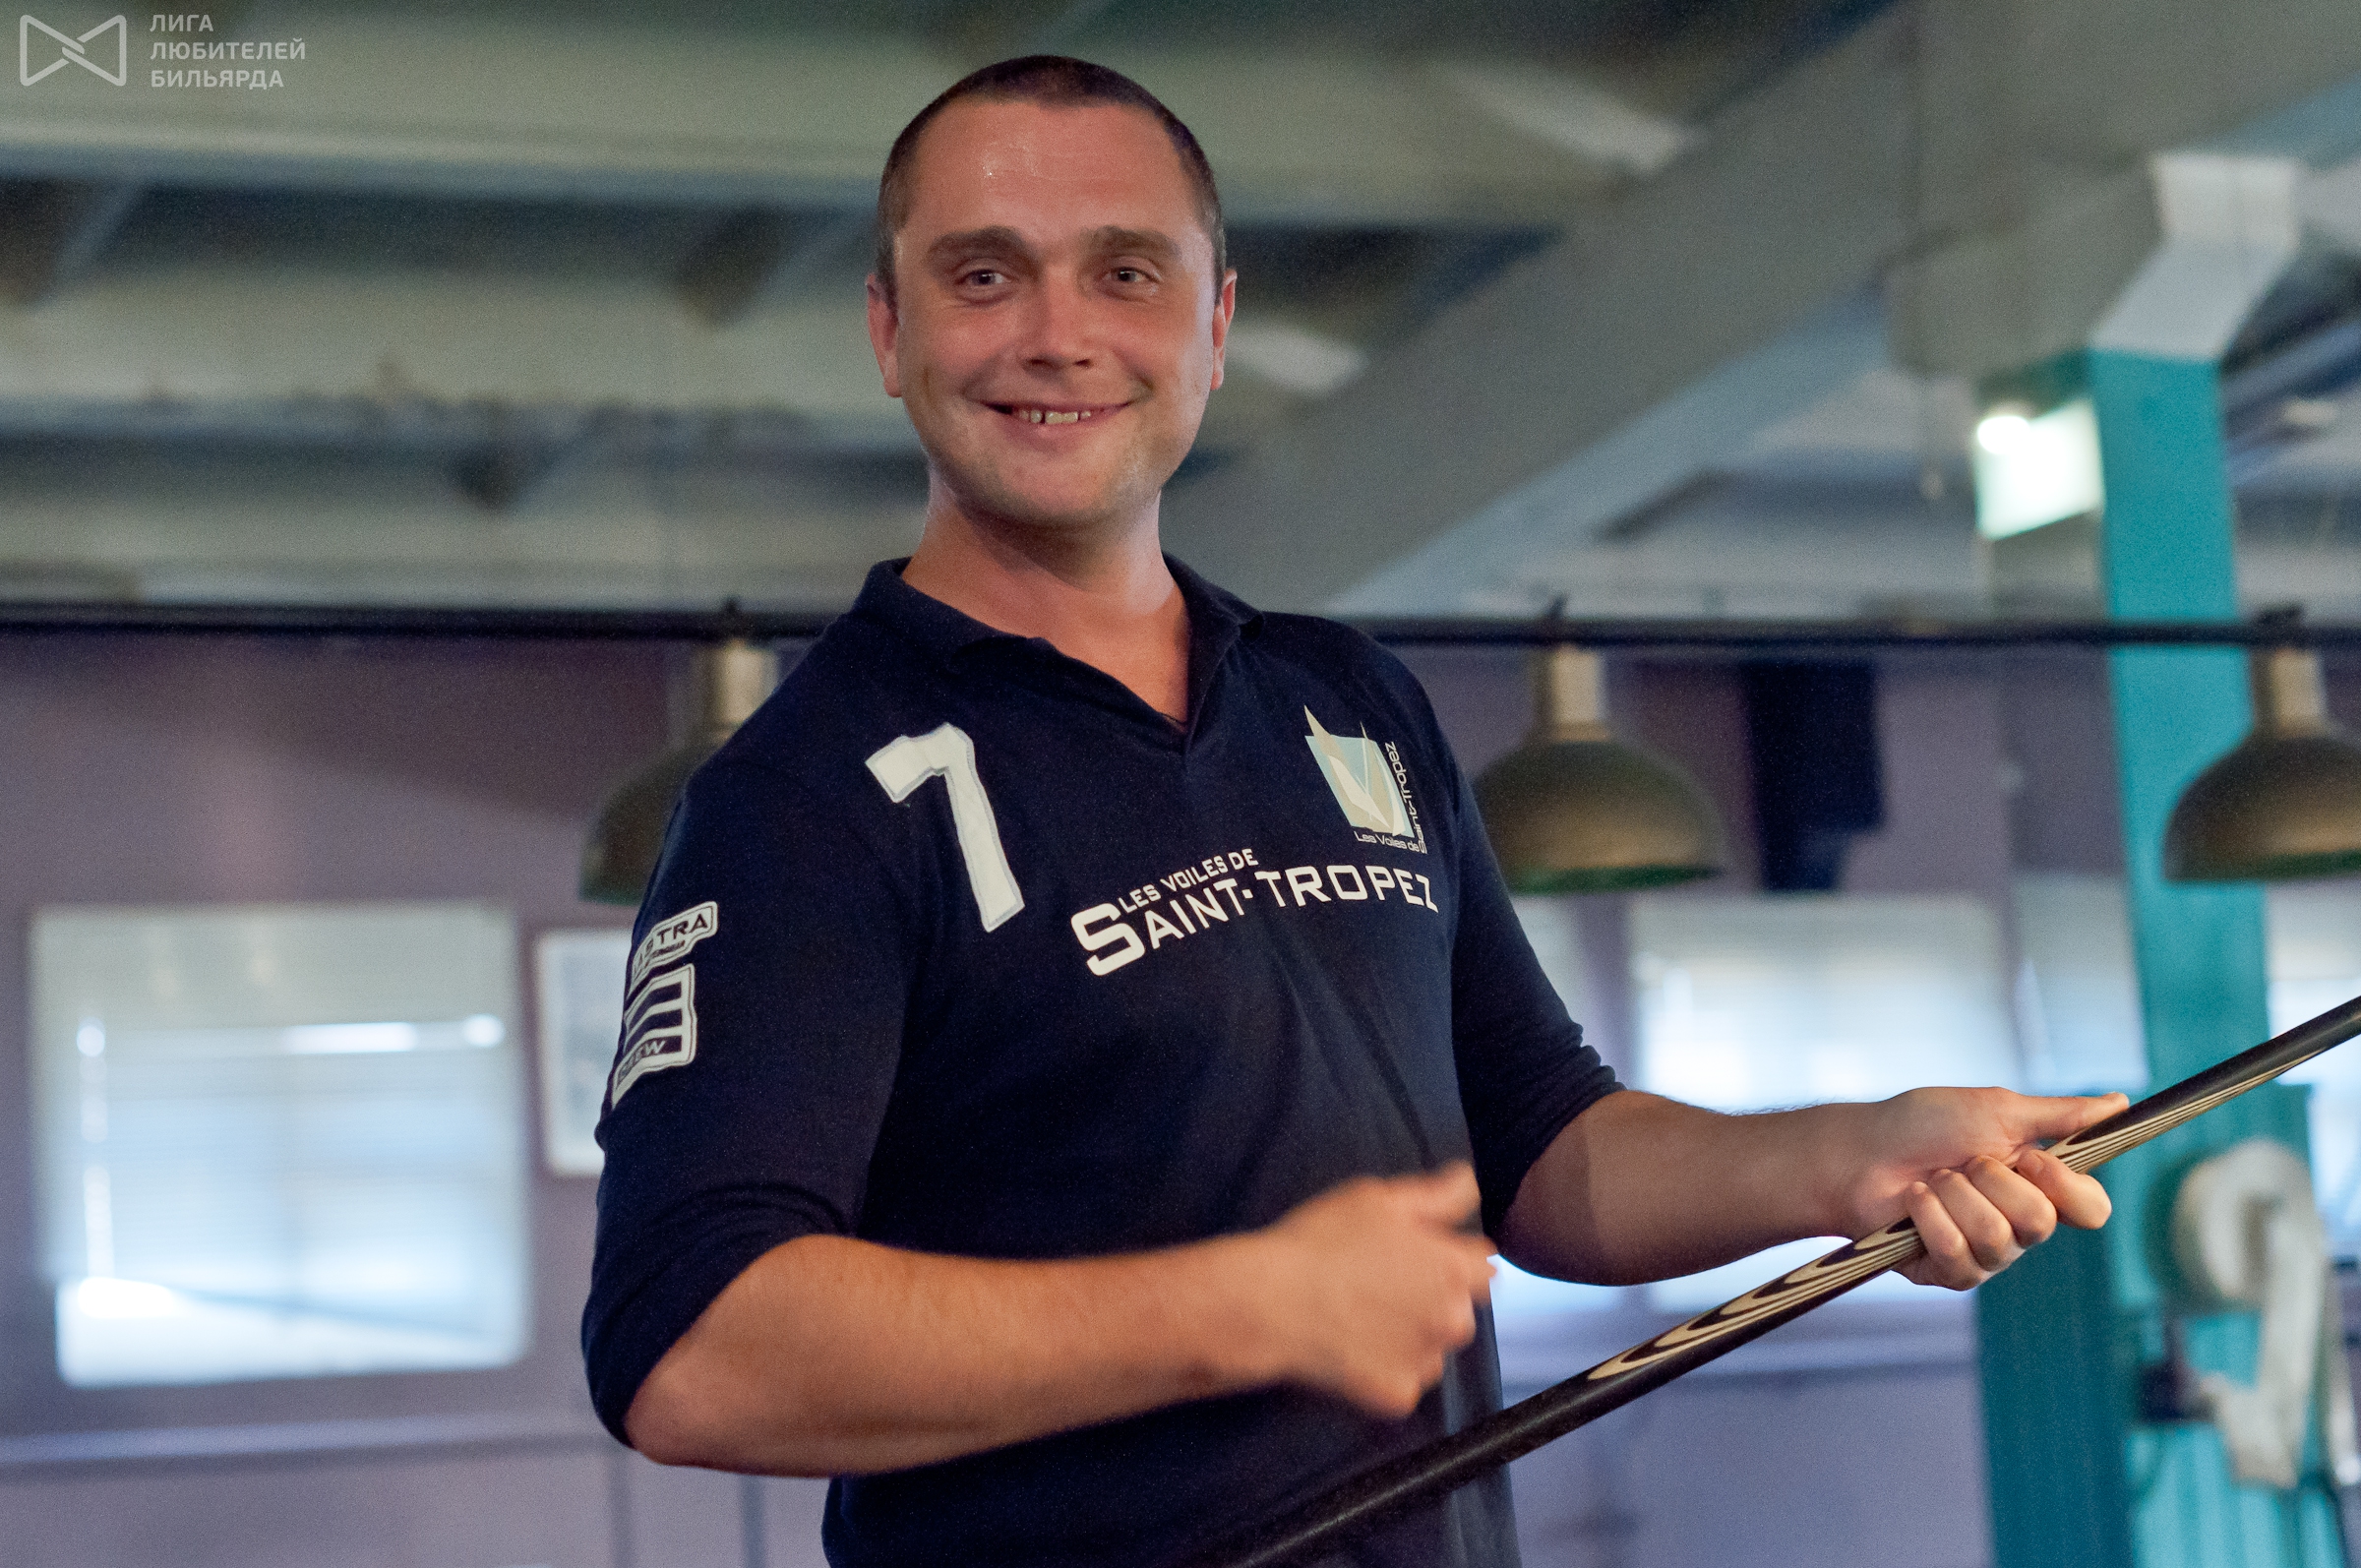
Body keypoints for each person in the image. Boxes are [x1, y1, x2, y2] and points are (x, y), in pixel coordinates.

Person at [582, 55, 2122, 1567]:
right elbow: (691, 1345)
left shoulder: (1345, 698)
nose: (1058, 334)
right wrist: (1242, 1306)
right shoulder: (802, 798)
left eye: (1126, 272)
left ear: (1214, 324)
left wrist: (1846, 1158)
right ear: (888, 325)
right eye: (985, 275)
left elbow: (1541, 1145)